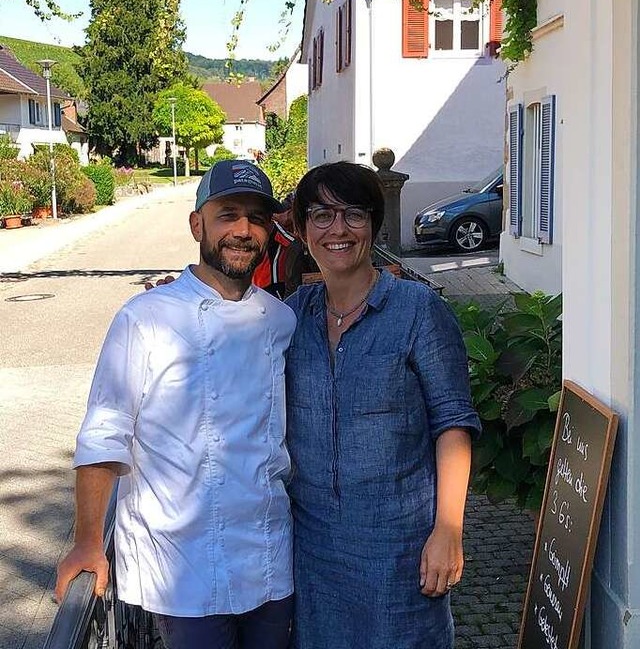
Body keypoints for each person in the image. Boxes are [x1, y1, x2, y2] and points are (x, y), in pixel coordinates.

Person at [55, 159, 296, 649]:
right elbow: (105, 431)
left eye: (256, 218)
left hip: (269, 561)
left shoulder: (279, 320)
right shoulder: (145, 318)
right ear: (197, 225)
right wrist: (86, 542)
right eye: (228, 214)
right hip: (180, 568)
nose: (243, 230)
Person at [285, 160, 481, 649]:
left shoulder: (418, 311)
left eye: (353, 214)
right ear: (303, 230)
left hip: (400, 547)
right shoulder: (290, 318)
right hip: (314, 550)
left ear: (374, 224)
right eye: (321, 215)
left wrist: (448, 529)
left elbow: (453, 423)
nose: (337, 229)